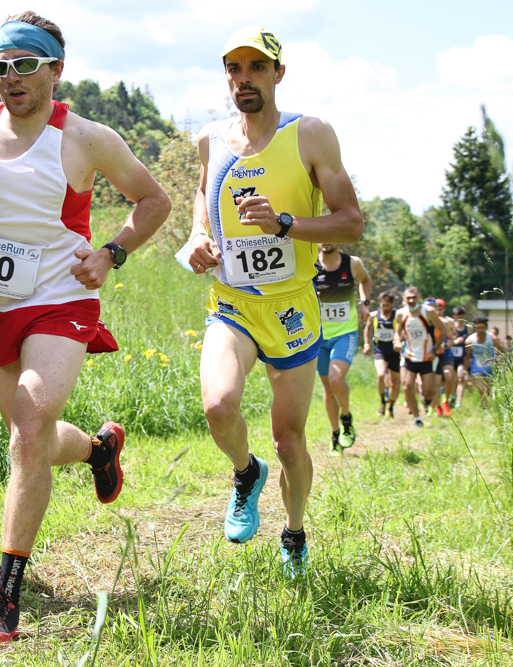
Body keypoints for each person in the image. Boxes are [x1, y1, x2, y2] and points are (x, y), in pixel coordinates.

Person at [0, 13, 170, 645]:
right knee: (28, 437)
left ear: (56, 69)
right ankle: (98, 450)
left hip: (63, 298)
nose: (11, 77)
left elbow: (154, 200)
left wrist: (111, 252)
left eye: (26, 64)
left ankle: (3, 598)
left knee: (28, 426)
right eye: (0, 66)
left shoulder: (85, 138)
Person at [186, 25, 363, 576]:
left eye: (257, 67)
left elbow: (351, 222)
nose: (244, 78)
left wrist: (286, 224)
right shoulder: (211, 139)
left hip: (291, 307)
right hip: (233, 301)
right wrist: (197, 236)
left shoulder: (311, 134)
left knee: (289, 442)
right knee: (218, 405)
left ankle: (294, 531)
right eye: (234, 69)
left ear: (278, 73)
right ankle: (246, 472)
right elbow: (202, 193)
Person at [315, 244, 370, 449]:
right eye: (321, 238)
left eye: (330, 237)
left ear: (338, 239)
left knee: (336, 379)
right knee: (328, 389)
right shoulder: (310, 263)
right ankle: (335, 435)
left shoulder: (352, 263)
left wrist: (364, 303)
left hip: (345, 332)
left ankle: (346, 418)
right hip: (319, 335)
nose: (326, 242)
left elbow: (365, 280)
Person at [392, 287, 449, 428]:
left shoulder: (428, 312)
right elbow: (397, 332)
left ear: (419, 297)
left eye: (414, 297)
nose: (411, 300)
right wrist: (397, 342)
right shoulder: (400, 313)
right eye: (408, 298)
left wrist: (434, 349)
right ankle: (417, 418)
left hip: (427, 357)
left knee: (428, 392)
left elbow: (443, 330)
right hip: (409, 356)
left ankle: (426, 401)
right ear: (404, 299)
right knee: (407, 386)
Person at [364, 291, 400, 418]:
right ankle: (382, 401)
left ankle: (391, 406)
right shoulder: (374, 316)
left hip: (394, 352)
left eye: (387, 305)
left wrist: (400, 342)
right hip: (380, 350)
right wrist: (366, 344)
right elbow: (367, 328)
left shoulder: (397, 316)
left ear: (392, 304)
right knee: (380, 375)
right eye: (383, 305)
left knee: (394, 382)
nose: (385, 308)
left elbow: (403, 330)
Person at [463, 316, 505, 408]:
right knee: (482, 389)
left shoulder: (492, 338)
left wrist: (500, 362)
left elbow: (502, 351)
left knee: (488, 390)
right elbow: (467, 357)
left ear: (486, 327)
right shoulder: (470, 340)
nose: (480, 330)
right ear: (475, 328)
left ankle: (487, 406)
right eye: (478, 328)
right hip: (476, 368)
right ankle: (484, 407)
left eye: (482, 328)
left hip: (490, 368)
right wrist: (465, 371)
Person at [433, 299, 457, 417]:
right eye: (436, 308)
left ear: (444, 309)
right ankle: (437, 405)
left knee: (448, 376)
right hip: (434, 354)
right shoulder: (429, 320)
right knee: (436, 382)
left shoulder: (449, 321)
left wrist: (446, 345)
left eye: (440, 308)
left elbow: (453, 337)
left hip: (446, 353)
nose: (438, 310)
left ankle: (445, 402)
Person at [450, 306, 473, 407]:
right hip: (451, 357)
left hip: (462, 357)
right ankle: (452, 396)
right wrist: (455, 341)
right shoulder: (451, 326)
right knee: (452, 380)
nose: (460, 318)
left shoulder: (469, 328)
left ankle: (458, 402)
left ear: (465, 316)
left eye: (462, 316)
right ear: (454, 316)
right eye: (458, 316)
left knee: (461, 378)